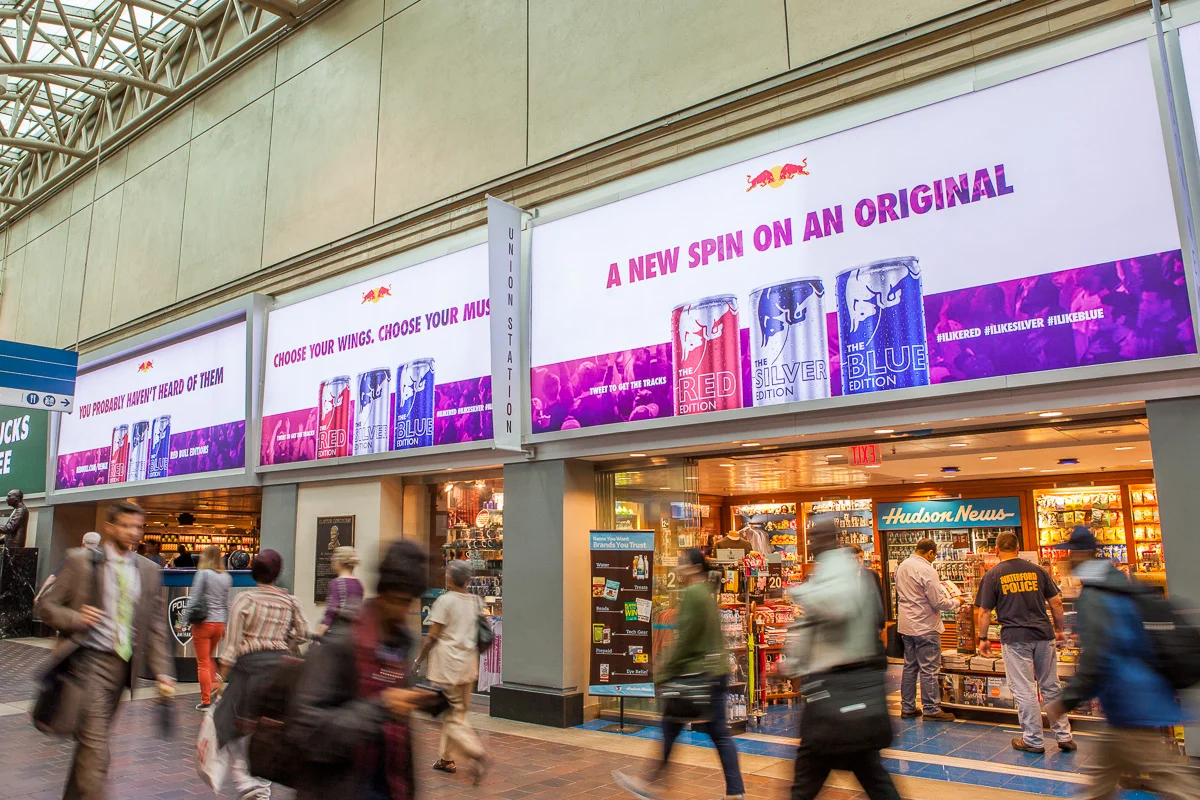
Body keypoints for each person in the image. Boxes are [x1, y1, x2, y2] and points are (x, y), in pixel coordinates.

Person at [1044, 527, 1200, 798]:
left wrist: (1067, 699)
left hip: (1129, 697)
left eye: (1068, 553)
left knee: (1171, 779)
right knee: (1103, 776)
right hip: (1134, 694)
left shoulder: (1095, 595)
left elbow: (1098, 655)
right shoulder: (1117, 582)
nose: (1065, 559)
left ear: (1080, 554)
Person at [36, 500, 175, 799]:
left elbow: (154, 626)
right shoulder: (80, 561)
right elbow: (45, 605)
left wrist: (163, 672)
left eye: (138, 526)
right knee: (97, 752)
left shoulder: (149, 571)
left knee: (90, 746)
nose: (133, 532)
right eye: (126, 525)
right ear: (110, 528)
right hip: (88, 666)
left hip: (122, 670)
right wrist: (75, 617)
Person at [292, 539, 444, 798]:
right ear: (382, 594)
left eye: (409, 602)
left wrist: (427, 701)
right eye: (398, 600)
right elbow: (307, 731)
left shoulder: (400, 642)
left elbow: (395, 696)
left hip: (387, 783)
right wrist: (382, 707)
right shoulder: (341, 642)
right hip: (338, 787)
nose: (403, 610)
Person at [613, 548, 745, 800]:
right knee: (714, 733)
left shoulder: (694, 594)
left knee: (674, 728)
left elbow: (685, 639)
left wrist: (664, 668)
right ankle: (734, 792)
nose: (678, 567)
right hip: (713, 673)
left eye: (683, 562)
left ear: (695, 567)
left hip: (696, 675)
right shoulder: (706, 592)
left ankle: (650, 784)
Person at [787, 528, 900, 800]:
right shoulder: (856, 574)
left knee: (808, 778)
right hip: (857, 693)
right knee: (870, 771)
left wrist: (800, 592)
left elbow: (835, 608)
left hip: (833, 693)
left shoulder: (833, 571)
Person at [215, 549, 308, 800]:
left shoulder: (245, 601)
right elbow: (302, 633)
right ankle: (262, 784)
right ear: (279, 572)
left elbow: (231, 646)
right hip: (279, 670)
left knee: (229, 724)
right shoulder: (290, 602)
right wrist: (284, 642)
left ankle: (246, 780)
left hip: (248, 669)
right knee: (268, 727)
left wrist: (221, 677)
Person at [974, 531, 1074, 753]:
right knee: (1051, 686)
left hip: (1016, 637)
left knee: (1025, 688)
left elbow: (984, 611)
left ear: (996, 550)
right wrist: (1059, 630)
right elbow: (1056, 602)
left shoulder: (993, 575)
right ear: (1018, 548)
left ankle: (1033, 740)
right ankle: (1064, 736)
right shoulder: (1037, 570)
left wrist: (983, 639)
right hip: (1043, 635)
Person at [414, 560, 487, 780]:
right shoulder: (476, 601)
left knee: (450, 714)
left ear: (449, 579)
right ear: (468, 580)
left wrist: (419, 660)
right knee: (459, 712)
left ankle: (475, 751)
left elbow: (432, 636)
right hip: (468, 664)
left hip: (448, 666)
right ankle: (446, 759)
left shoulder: (444, 601)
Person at [894, 538, 961, 721]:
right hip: (925, 625)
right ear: (930, 552)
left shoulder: (902, 566)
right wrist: (956, 601)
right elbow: (938, 602)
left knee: (910, 667)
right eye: (935, 554)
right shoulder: (927, 569)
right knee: (929, 668)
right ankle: (931, 709)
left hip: (906, 624)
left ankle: (907, 707)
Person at [186, 544, 232, 711]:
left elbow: (194, 598)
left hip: (203, 623)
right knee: (209, 658)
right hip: (218, 624)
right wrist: (225, 624)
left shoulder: (203, 574)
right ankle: (214, 684)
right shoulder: (226, 577)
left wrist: (183, 621)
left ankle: (206, 700)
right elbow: (226, 604)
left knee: (203, 662)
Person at [316, 546, 364, 638]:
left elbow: (331, 612)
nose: (332, 562)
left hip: (337, 633)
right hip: (354, 634)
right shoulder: (359, 584)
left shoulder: (337, 583)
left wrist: (319, 634)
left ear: (339, 562)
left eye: (333, 559)